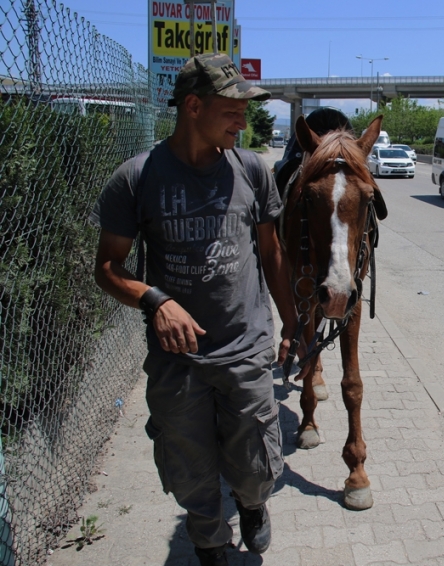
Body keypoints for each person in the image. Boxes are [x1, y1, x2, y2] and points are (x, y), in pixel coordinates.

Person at [90, 53, 298, 566]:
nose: (243, 121)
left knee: (254, 467)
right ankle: (209, 543)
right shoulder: (137, 179)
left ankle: (252, 505)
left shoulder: (251, 169)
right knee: (192, 469)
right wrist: (155, 299)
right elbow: (108, 268)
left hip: (245, 348)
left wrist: (293, 322)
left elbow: (270, 253)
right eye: (232, 110)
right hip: (176, 359)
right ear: (192, 106)